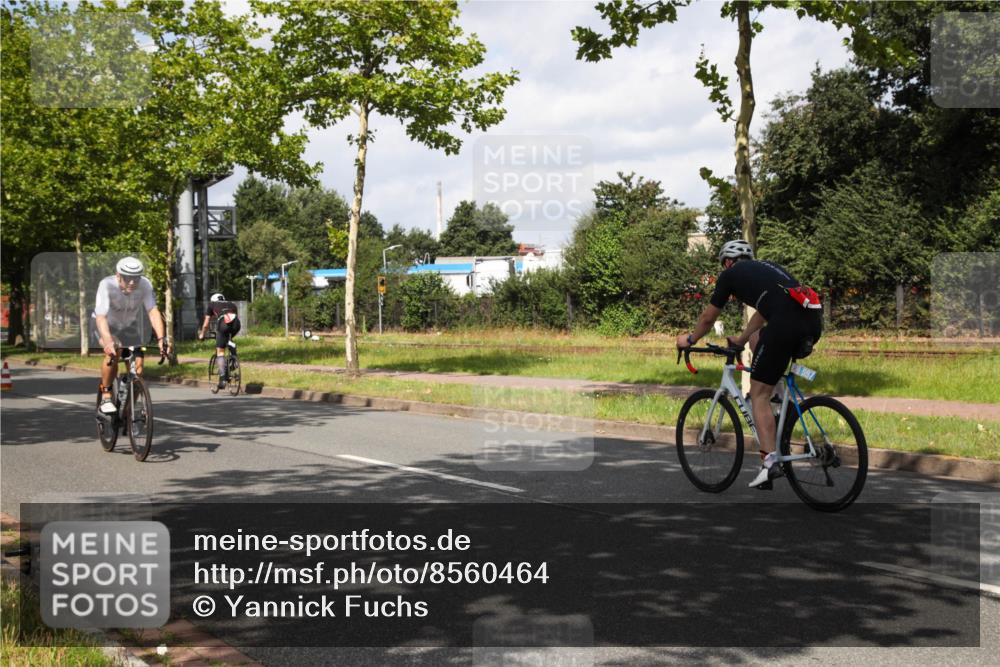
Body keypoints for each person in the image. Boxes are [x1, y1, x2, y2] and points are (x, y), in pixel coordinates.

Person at [676, 239, 822, 490]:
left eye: (724, 264)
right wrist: (742, 339)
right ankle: (777, 406)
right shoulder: (767, 269)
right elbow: (763, 313)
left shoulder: (731, 275)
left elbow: (708, 317)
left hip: (786, 323)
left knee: (757, 393)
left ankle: (769, 463)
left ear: (728, 261)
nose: (725, 268)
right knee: (758, 343)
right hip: (812, 323)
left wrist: (689, 339)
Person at [94, 257, 167, 415]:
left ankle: (128, 411)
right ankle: (106, 396)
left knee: (138, 370)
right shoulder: (107, 285)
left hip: (128, 326)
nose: (132, 283)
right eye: (128, 278)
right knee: (114, 351)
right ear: (118, 275)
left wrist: (162, 339)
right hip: (106, 324)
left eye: (136, 278)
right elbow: (101, 317)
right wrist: (108, 341)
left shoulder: (145, 285)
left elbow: (153, 311)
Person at [199, 293, 241, 389]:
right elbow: (232, 318)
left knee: (220, 352)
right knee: (228, 339)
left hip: (223, 323)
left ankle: (222, 379)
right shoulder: (232, 304)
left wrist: (202, 335)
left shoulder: (212, 304)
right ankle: (233, 354)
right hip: (236, 324)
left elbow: (206, 324)